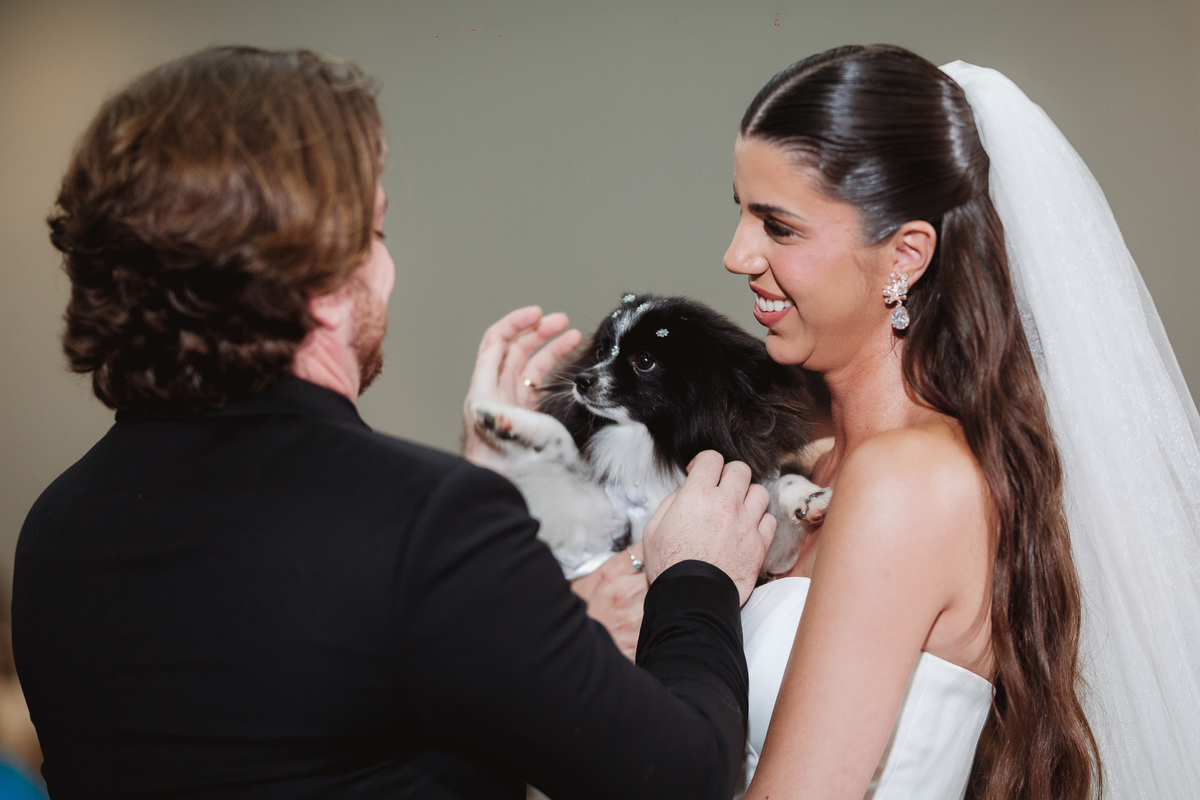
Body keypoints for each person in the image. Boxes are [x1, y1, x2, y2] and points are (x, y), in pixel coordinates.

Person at [11, 46, 779, 800]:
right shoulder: (423, 522)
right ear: (316, 280)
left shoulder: (57, 528)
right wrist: (694, 575)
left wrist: (488, 510)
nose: (387, 268)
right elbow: (684, 780)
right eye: (374, 235)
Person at [480, 45, 1200, 800]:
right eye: (740, 212)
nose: (736, 255)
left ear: (904, 257)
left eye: (779, 227)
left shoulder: (907, 482)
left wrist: (689, 586)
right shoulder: (815, 465)